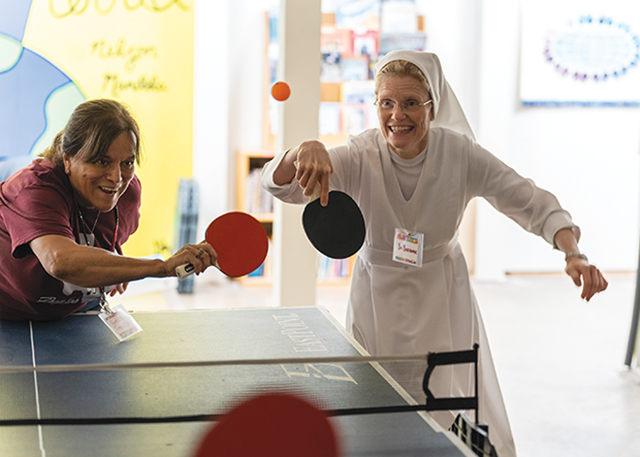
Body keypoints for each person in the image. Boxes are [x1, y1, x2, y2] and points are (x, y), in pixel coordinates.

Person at [261, 50, 608, 457]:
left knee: (447, 403)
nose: (397, 115)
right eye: (386, 103)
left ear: (432, 106)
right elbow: (280, 185)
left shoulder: (460, 154)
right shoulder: (359, 154)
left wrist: (573, 253)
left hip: (442, 295)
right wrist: (301, 151)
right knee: (377, 408)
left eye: (410, 103)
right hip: (376, 298)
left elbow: (529, 201)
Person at [0, 99, 216, 321]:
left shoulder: (127, 195)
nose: (117, 178)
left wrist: (113, 262)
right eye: (102, 162)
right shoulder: (34, 189)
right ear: (68, 159)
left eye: (127, 163)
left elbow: (104, 238)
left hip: (73, 318)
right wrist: (161, 268)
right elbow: (60, 261)